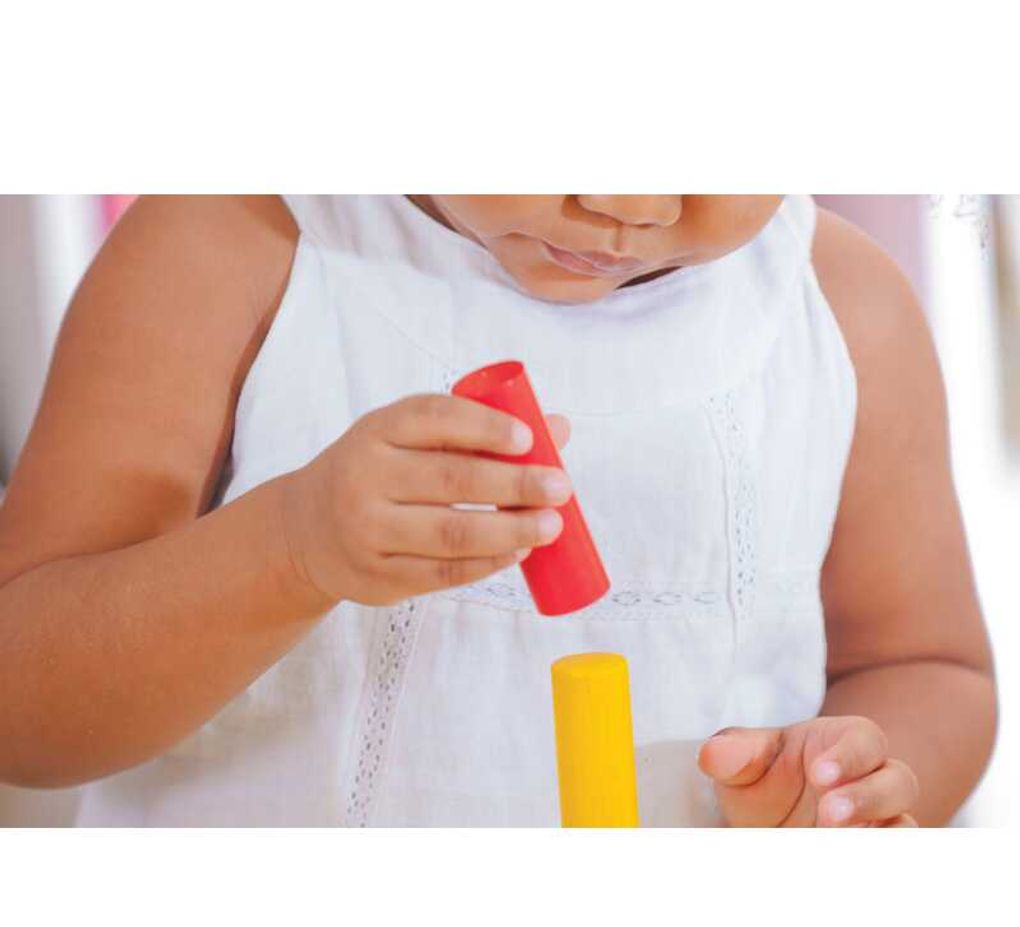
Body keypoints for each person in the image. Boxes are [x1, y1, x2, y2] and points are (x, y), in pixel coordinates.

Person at [0, 195, 997, 825]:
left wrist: (850, 790)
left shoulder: (840, 305)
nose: (629, 199)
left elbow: (928, 667)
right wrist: (290, 549)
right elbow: (25, 709)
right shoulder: (231, 245)